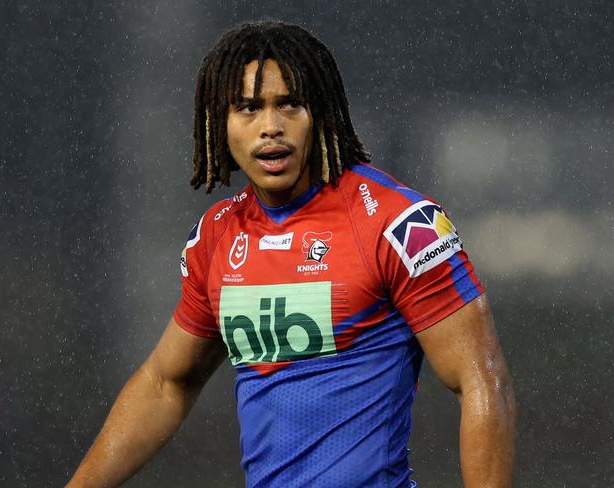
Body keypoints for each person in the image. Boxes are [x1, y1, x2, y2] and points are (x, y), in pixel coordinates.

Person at [67, 21, 516, 488]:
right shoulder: (217, 236)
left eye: (289, 104)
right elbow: (166, 384)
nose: (271, 128)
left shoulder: (397, 223)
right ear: (218, 123)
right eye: (248, 108)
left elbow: (482, 381)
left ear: (318, 113)